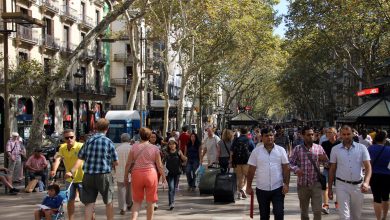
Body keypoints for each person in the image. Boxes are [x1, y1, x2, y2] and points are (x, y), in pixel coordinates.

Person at [65, 118, 118, 220]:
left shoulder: (88, 141)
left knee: (89, 204)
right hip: (103, 175)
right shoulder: (108, 142)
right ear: (107, 128)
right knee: (109, 202)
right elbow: (116, 162)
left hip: (88, 176)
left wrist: (71, 171)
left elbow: (80, 157)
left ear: (96, 128)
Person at [328, 125, 372, 220]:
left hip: (358, 186)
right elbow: (332, 169)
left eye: (348, 134)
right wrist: (330, 188)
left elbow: (368, 167)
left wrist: (366, 182)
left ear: (352, 134)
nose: (346, 136)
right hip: (341, 185)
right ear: (340, 135)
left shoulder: (362, 148)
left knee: (356, 216)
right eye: (344, 134)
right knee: (344, 216)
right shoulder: (335, 149)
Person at [246, 128, 290, 220]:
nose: (269, 137)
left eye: (271, 135)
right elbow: (251, 171)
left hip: (278, 188)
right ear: (261, 137)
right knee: (264, 216)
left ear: (274, 137)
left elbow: (286, 168)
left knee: (279, 213)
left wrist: (286, 184)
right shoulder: (256, 152)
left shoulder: (281, 150)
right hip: (262, 189)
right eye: (266, 136)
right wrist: (248, 186)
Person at [124, 127, 166, 220]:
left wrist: (125, 176)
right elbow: (159, 165)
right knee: (150, 201)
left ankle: (133, 219)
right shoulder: (155, 148)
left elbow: (128, 164)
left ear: (140, 136)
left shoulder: (134, 147)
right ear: (150, 136)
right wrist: (163, 176)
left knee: (137, 202)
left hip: (137, 174)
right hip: (151, 174)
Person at [289, 126, 329, 220]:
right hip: (303, 185)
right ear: (303, 136)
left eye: (312, 134)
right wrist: (296, 169)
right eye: (308, 135)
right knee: (304, 213)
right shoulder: (298, 149)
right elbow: (290, 163)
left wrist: (325, 160)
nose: (311, 136)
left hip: (316, 184)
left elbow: (327, 164)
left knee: (317, 211)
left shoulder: (319, 148)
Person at [50, 129, 84, 220]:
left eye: (71, 137)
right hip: (70, 180)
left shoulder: (81, 146)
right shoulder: (62, 147)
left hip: (83, 178)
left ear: (75, 137)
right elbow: (58, 159)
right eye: (67, 138)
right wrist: (54, 170)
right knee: (70, 201)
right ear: (64, 139)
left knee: (87, 203)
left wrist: (71, 171)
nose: (69, 139)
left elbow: (79, 161)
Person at [368, 130, 390, 220]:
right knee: (386, 197)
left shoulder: (370, 149)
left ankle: (378, 218)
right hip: (387, 176)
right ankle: (384, 217)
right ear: (385, 139)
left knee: (376, 198)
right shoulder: (389, 149)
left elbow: (367, 163)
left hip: (374, 175)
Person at [230, 127, 255, 200]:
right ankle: (244, 189)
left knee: (239, 178)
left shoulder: (236, 140)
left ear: (240, 132)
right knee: (247, 176)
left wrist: (231, 161)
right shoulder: (249, 140)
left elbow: (231, 151)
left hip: (237, 162)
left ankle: (239, 193)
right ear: (247, 132)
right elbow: (254, 151)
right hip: (246, 162)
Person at [320, 127, 341, 214]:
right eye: (327, 133)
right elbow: (320, 156)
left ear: (335, 134)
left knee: (339, 187)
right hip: (327, 169)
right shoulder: (324, 144)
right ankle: (326, 205)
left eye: (330, 132)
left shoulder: (340, 144)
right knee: (324, 186)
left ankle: (338, 204)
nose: (328, 134)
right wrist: (323, 162)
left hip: (338, 169)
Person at [164, 138, 187, 210]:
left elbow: (184, 159)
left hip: (177, 173)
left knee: (173, 188)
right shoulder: (166, 153)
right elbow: (162, 162)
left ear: (175, 144)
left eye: (173, 144)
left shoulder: (178, 152)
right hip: (169, 173)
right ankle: (171, 203)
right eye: (170, 144)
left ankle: (171, 201)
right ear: (168, 145)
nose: (172, 145)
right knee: (171, 188)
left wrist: (183, 156)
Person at [115, 133, 133, 215]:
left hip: (119, 172)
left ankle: (123, 207)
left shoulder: (117, 149)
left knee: (121, 190)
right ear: (129, 139)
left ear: (121, 139)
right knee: (129, 189)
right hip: (130, 173)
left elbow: (114, 162)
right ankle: (129, 204)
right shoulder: (132, 148)